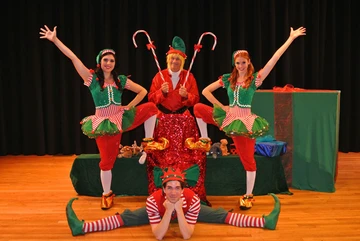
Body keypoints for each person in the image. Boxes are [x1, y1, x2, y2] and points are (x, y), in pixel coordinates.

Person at [39, 25, 168, 210]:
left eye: (112, 60)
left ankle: (147, 144)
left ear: (115, 63)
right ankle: (106, 193)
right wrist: (55, 40)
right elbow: (73, 58)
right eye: (105, 60)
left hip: (121, 118)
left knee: (150, 108)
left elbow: (142, 91)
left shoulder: (120, 80)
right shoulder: (92, 80)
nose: (109, 63)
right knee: (107, 161)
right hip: (104, 124)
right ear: (100, 62)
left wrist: (129, 106)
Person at [192, 27, 306, 210]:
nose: (240, 66)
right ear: (234, 63)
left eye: (243, 63)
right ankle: (205, 140)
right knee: (198, 108)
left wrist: (290, 38)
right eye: (237, 63)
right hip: (228, 118)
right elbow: (205, 91)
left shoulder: (254, 80)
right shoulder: (228, 78)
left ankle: (248, 194)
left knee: (248, 160)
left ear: (248, 62)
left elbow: (274, 60)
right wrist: (222, 106)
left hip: (244, 123)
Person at [65, 167, 281, 239]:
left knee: (220, 215)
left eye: (178, 187)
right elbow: (158, 235)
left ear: (183, 188)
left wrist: (179, 208)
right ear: (162, 189)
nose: (174, 191)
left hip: (186, 211)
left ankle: (263, 222)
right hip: (161, 212)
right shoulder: (153, 201)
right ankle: (83, 227)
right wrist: (169, 211)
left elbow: (187, 236)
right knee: (128, 217)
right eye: (169, 187)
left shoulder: (192, 198)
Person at [144, 36, 211, 205]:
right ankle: (160, 194)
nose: (175, 61)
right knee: (162, 157)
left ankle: (191, 194)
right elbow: (151, 99)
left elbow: (196, 100)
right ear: (168, 60)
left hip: (184, 122)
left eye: (178, 59)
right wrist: (161, 93)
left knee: (188, 157)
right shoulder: (159, 77)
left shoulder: (189, 77)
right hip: (164, 122)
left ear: (182, 61)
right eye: (172, 58)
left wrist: (186, 96)